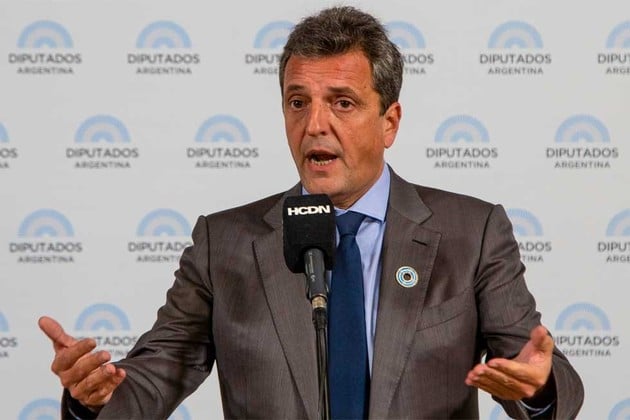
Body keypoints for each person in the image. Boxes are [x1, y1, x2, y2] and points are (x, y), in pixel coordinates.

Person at [39, 6, 584, 419]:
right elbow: (153, 377)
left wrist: (539, 390)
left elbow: (544, 376)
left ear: (389, 122)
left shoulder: (472, 232)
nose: (315, 125)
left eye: (342, 102)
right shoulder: (222, 244)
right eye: (298, 102)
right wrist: (95, 398)